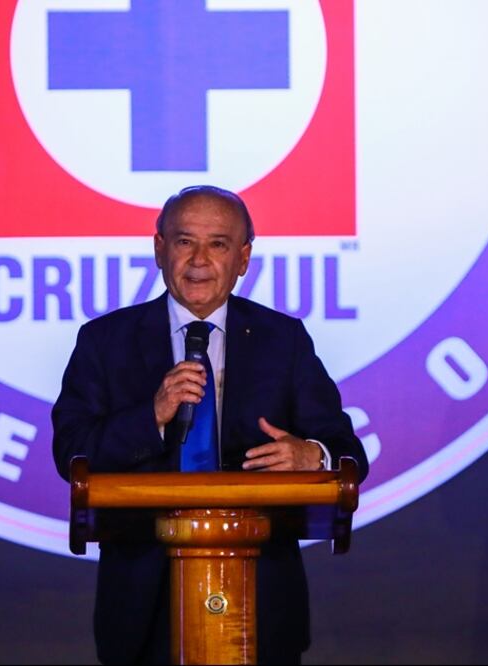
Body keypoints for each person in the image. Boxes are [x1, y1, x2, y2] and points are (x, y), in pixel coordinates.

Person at [52, 185, 369, 665]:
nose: (200, 259)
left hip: (262, 598)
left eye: (218, 244)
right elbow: (71, 452)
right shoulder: (105, 341)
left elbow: (348, 454)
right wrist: (151, 416)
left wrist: (312, 456)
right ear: (159, 248)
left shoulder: (283, 340)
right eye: (184, 241)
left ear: (243, 258)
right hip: (142, 598)